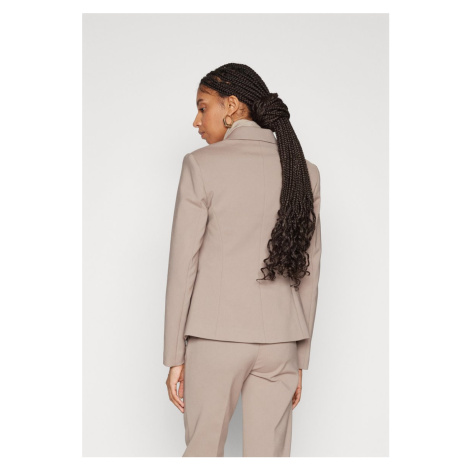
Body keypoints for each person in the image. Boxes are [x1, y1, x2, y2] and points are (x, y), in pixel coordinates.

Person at [163, 63, 322, 457]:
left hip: (215, 339)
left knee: (203, 453)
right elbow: (309, 269)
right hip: (281, 343)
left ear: (232, 106)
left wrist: (175, 357)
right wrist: (299, 359)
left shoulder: (201, 164)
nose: (197, 121)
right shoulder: (304, 172)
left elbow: (183, 265)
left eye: (203, 108)